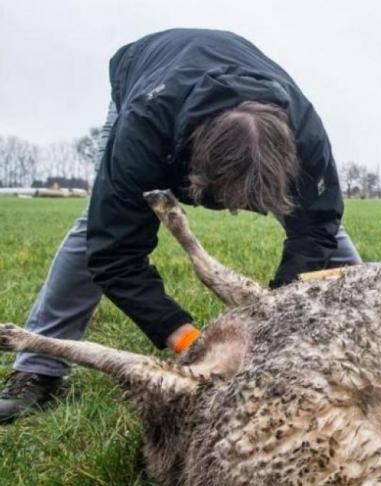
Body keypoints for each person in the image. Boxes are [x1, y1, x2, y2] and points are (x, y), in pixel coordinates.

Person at [0, 28, 361, 423]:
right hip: (146, 81)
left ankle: (376, 322)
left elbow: (317, 224)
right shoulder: (142, 131)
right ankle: (38, 369)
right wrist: (190, 340)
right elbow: (114, 254)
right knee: (95, 225)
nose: (239, 210)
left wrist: (282, 311)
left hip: (244, 102)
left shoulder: (305, 132)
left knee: (322, 233)